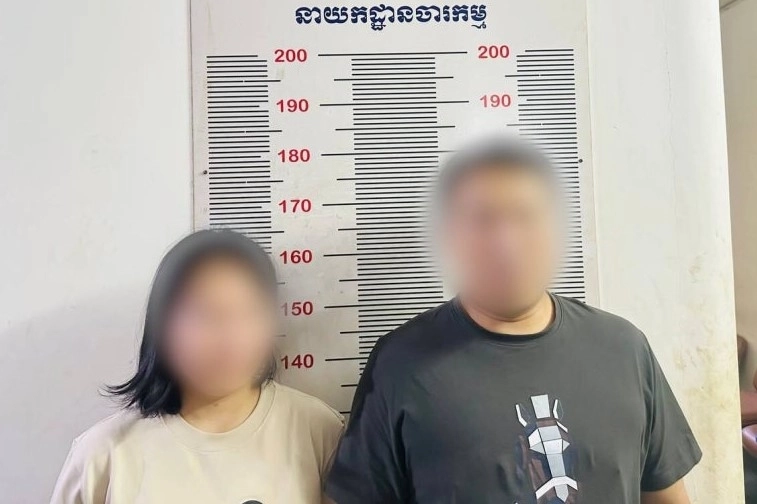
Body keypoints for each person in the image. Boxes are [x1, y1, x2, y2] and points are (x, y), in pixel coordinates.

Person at [325, 137, 701, 504]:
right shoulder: (400, 364)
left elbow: (666, 495)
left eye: (525, 217)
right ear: (450, 237)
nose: (506, 242)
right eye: (483, 220)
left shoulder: (624, 348)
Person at [51, 230, 343, 504]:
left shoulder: (318, 431)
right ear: (163, 326)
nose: (232, 339)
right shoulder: (104, 454)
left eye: (250, 313)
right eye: (206, 315)